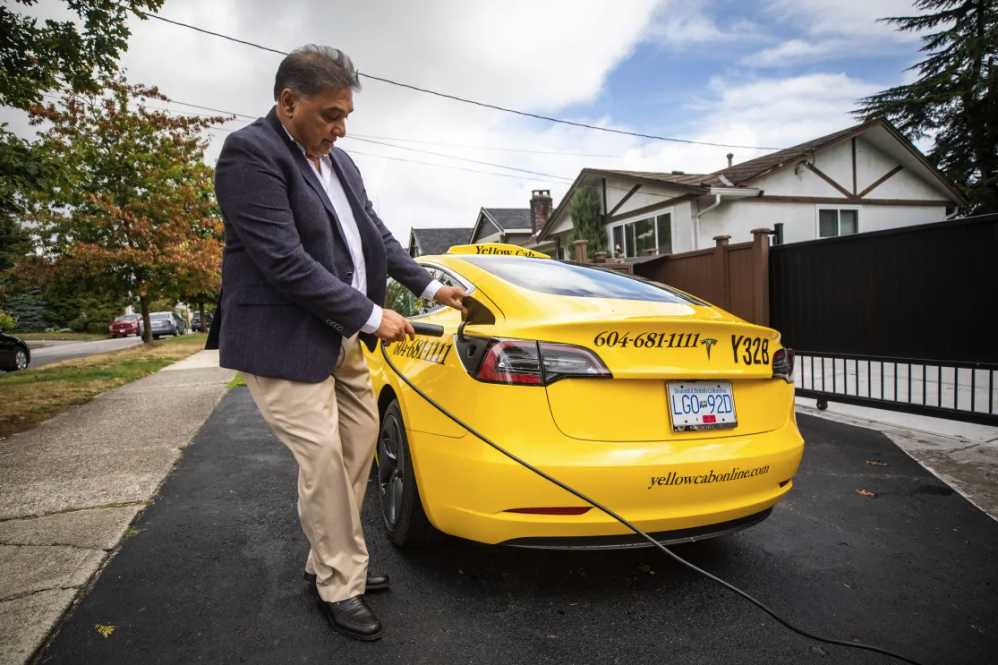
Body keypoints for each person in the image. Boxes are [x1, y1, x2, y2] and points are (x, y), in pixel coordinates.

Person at [208, 44, 466, 641]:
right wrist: (376, 317)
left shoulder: (341, 163)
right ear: (288, 101)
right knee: (323, 459)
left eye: (345, 114)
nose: (340, 127)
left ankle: (327, 559)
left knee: (358, 446)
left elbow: (374, 234)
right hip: (281, 337)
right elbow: (283, 261)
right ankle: (339, 584)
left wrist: (428, 285)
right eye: (329, 114)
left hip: (341, 336)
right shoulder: (250, 154)